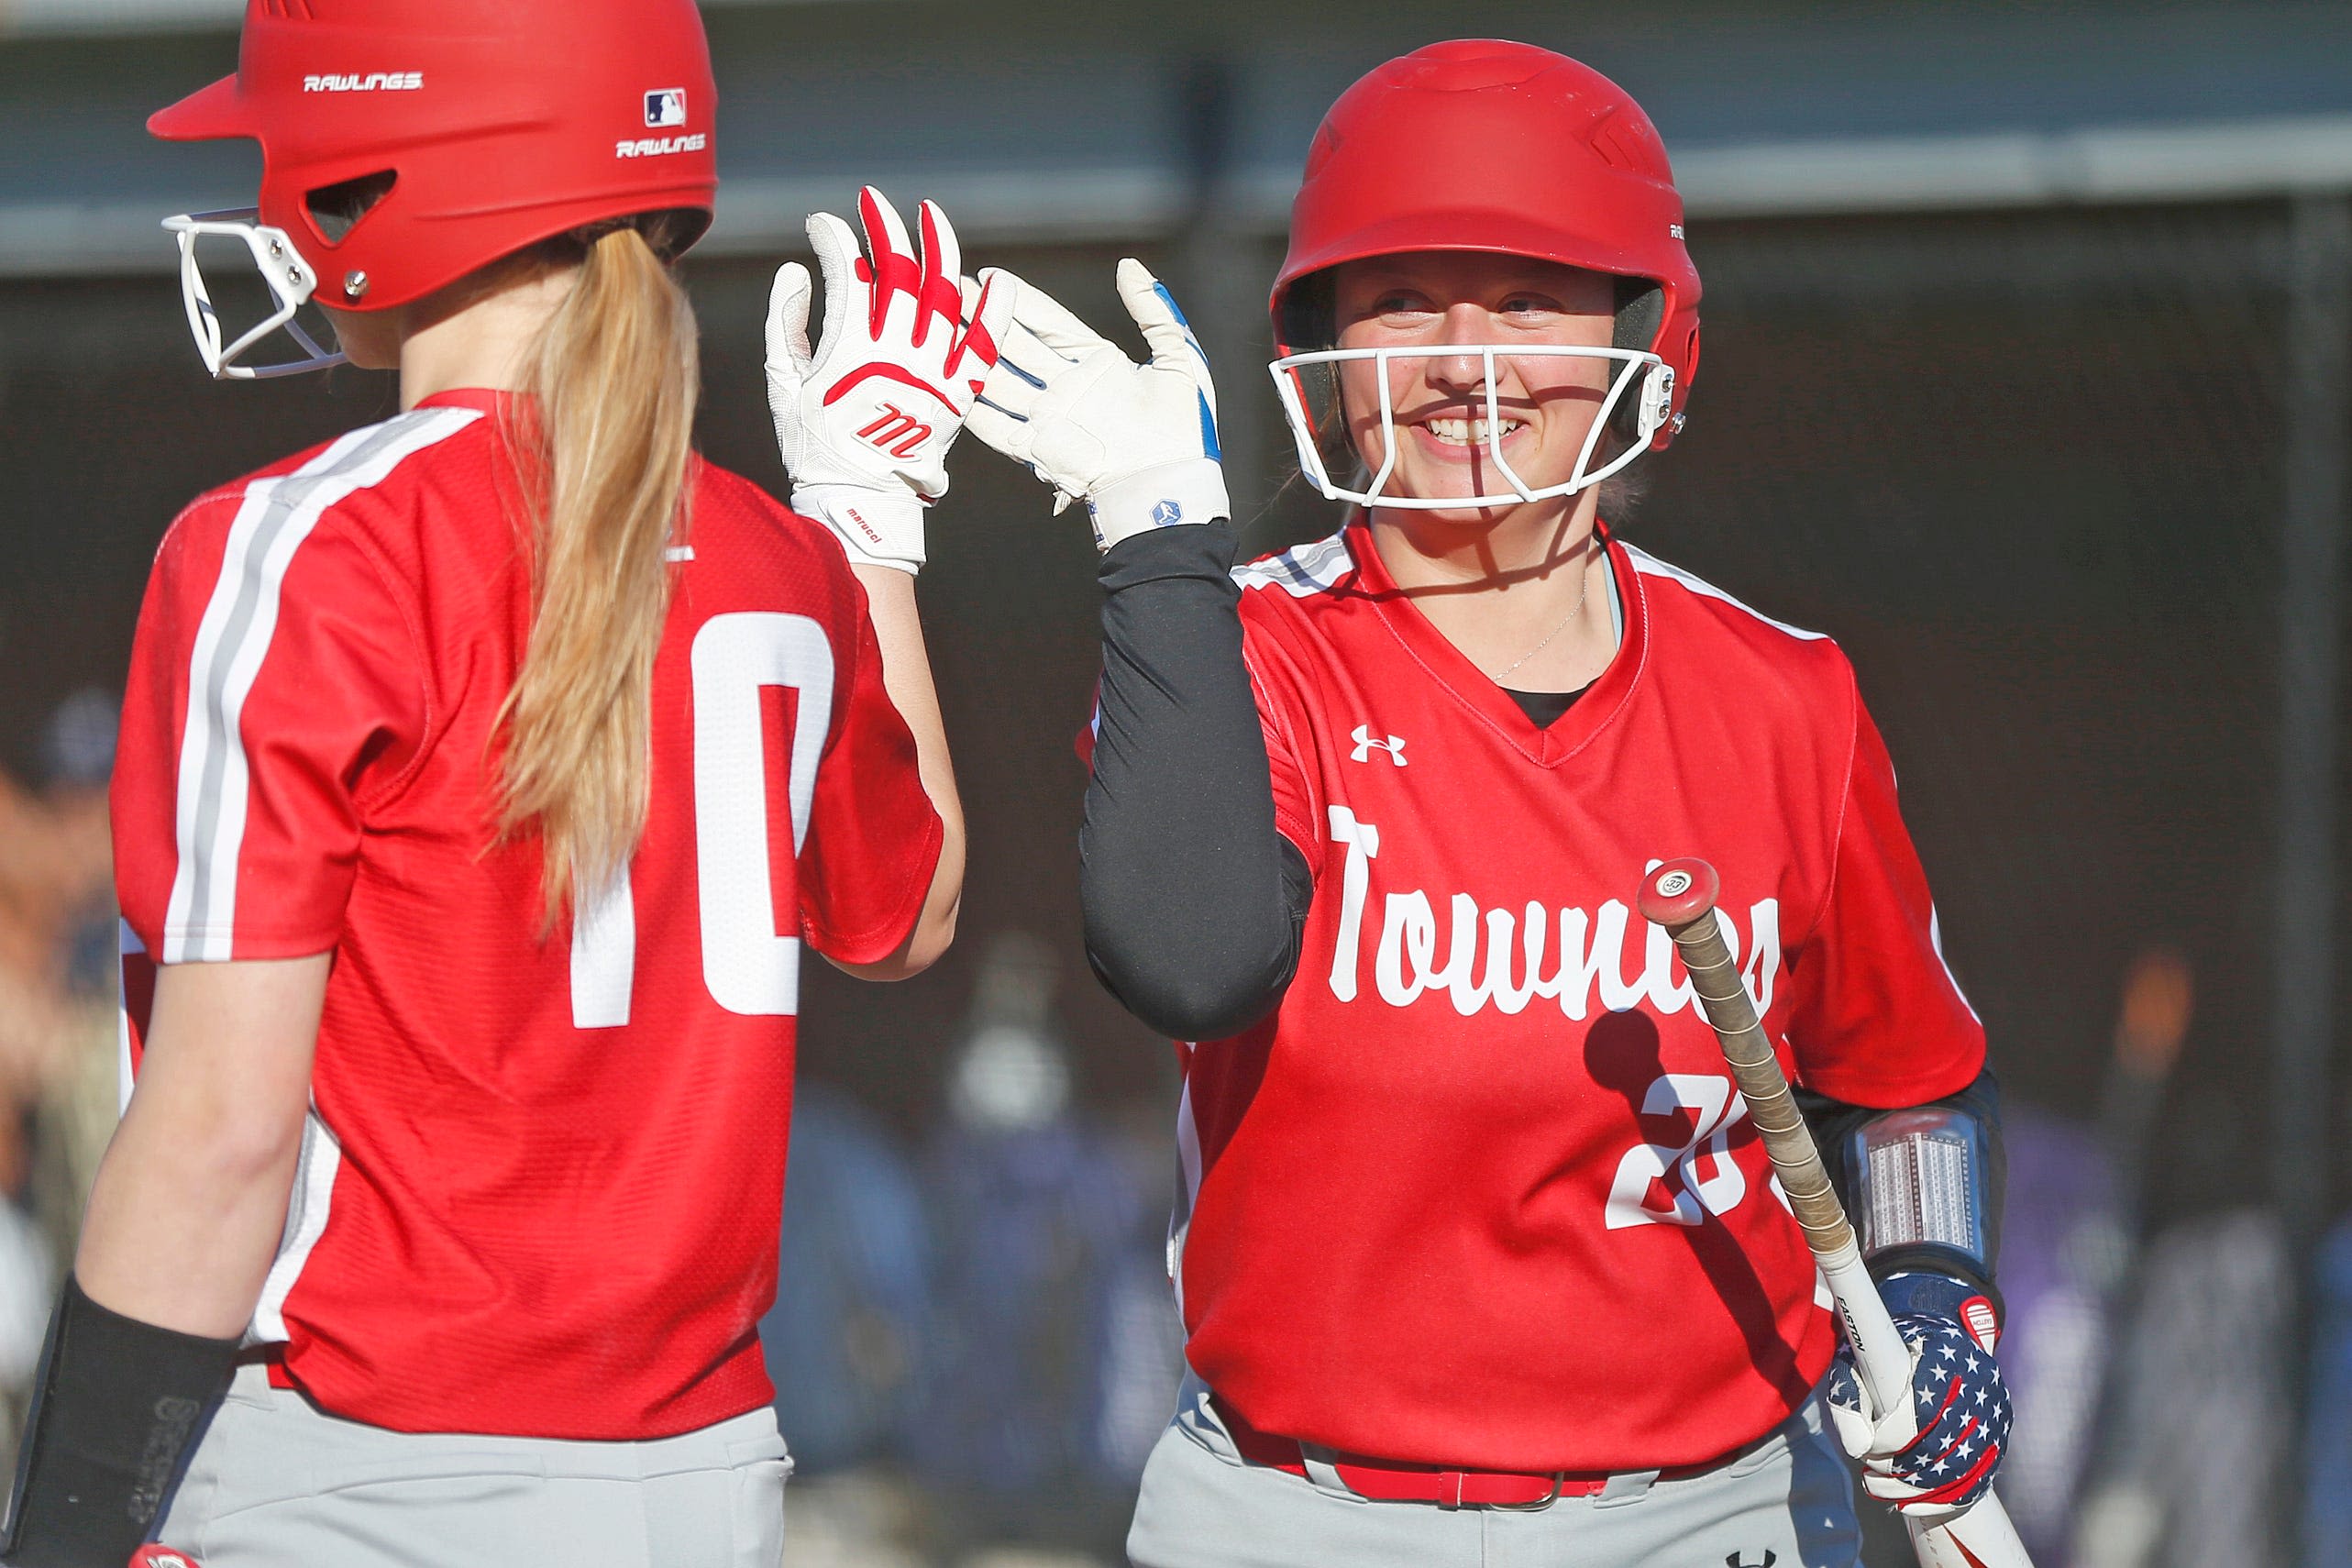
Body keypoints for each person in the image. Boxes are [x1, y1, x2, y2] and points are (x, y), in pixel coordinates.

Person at [967, 39, 2013, 1567]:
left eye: (1527, 298)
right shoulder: (1240, 649)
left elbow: (1902, 1074)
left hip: (1709, 1510)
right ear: (1323, 341)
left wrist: (1932, 1283)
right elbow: (1184, 955)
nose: (1463, 361)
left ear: (1638, 337)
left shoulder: (1781, 691)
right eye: (1401, 301)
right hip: (1299, 1509)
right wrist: (1155, 541)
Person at [0, 3, 1002, 1564]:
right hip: (701, 1480)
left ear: (398, 164)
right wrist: (867, 531)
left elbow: (220, 1134)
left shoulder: (305, 544)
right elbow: (911, 906)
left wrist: (60, 1525)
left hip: (365, 1476)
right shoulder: (780, 557)